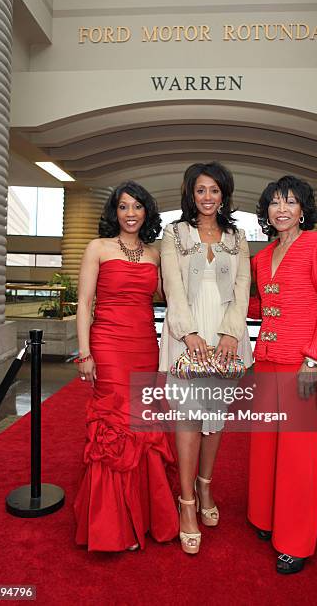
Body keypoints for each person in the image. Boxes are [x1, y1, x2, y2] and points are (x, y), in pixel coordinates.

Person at [74, 181, 179, 552]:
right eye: (123, 206)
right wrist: (85, 353)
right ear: (114, 212)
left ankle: (144, 516)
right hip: (108, 344)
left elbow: (173, 296)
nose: (130, 213)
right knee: (117, 423)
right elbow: (84, 303)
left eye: (137, 206)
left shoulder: (155, 254)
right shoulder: (97, 248)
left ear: (146, 212)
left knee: (143, 423)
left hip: (143, 345)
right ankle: (115, 523)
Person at [247, 175, 317, 574]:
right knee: (266, 444)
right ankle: (265, 518)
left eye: (290, 201)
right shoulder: (261, 256)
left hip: (299, 362)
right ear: (266, 211)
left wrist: (313, 361)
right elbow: (264, 305)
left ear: (304, 209)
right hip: (266, 359)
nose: (281, 209)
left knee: (298, 455)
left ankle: (296, 541)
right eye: (274, 202)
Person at [159, 162, 253, 554]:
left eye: (215, 190)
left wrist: (232, 333)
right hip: (187, 338)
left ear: (224, 194)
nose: (208, 197)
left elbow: (244, 285)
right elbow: (172, 286)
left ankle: (205, 486)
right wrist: (190, 332)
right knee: (188, 419)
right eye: (201, 190)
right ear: (190, 194)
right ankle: (186, 503)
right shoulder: (174, 234)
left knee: (214, 419)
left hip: (225, 340)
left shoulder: (237, 236)